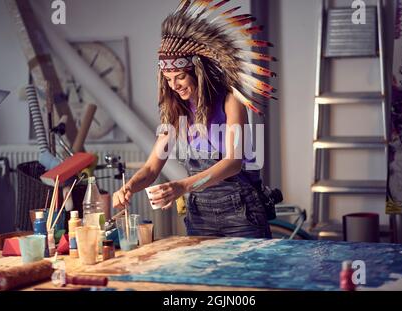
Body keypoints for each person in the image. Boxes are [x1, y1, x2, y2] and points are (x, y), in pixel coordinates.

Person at [113, 0, 278, 238]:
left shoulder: (230, 101)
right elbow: (150, 168)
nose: (174, 85)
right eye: (168, 79)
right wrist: (129, 187)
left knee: (248, 275)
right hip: (200, 215)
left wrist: (182, 186)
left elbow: (233, 162)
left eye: (180, 76)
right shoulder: (175, 111)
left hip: (241, 212)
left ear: (197, 71)